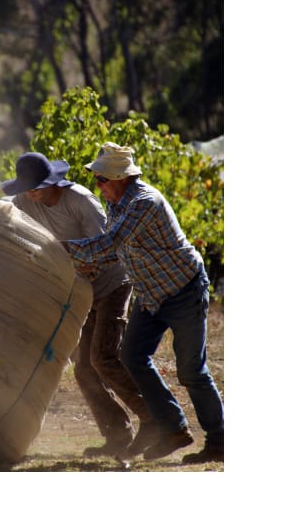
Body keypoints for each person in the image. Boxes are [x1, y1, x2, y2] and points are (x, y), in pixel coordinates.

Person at [62, 142, 224, 463]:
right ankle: (173, 429)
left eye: (102, 180)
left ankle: (220, 442)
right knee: (131, 356)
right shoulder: (117, 203)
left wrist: (61, 248)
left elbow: (109, 244)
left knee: (191, 370)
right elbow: (116, 251)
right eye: (97, 180)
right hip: (151, 294)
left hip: (184, 289)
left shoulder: (143, 203)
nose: (99, 186)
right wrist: (88, 262)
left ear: (121, 178)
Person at [1, 152, 155, 458]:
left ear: (53, 181)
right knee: (84, 369)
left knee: (103, 357)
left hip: (111, 283)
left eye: (37, 186)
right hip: (77, 291)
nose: (32, 193)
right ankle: (118, 435)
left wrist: (73, 264)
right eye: (27, 187)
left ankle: (156, 420)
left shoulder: (80, 201)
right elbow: (6, 218)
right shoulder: (24, 202)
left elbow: (107, 249)